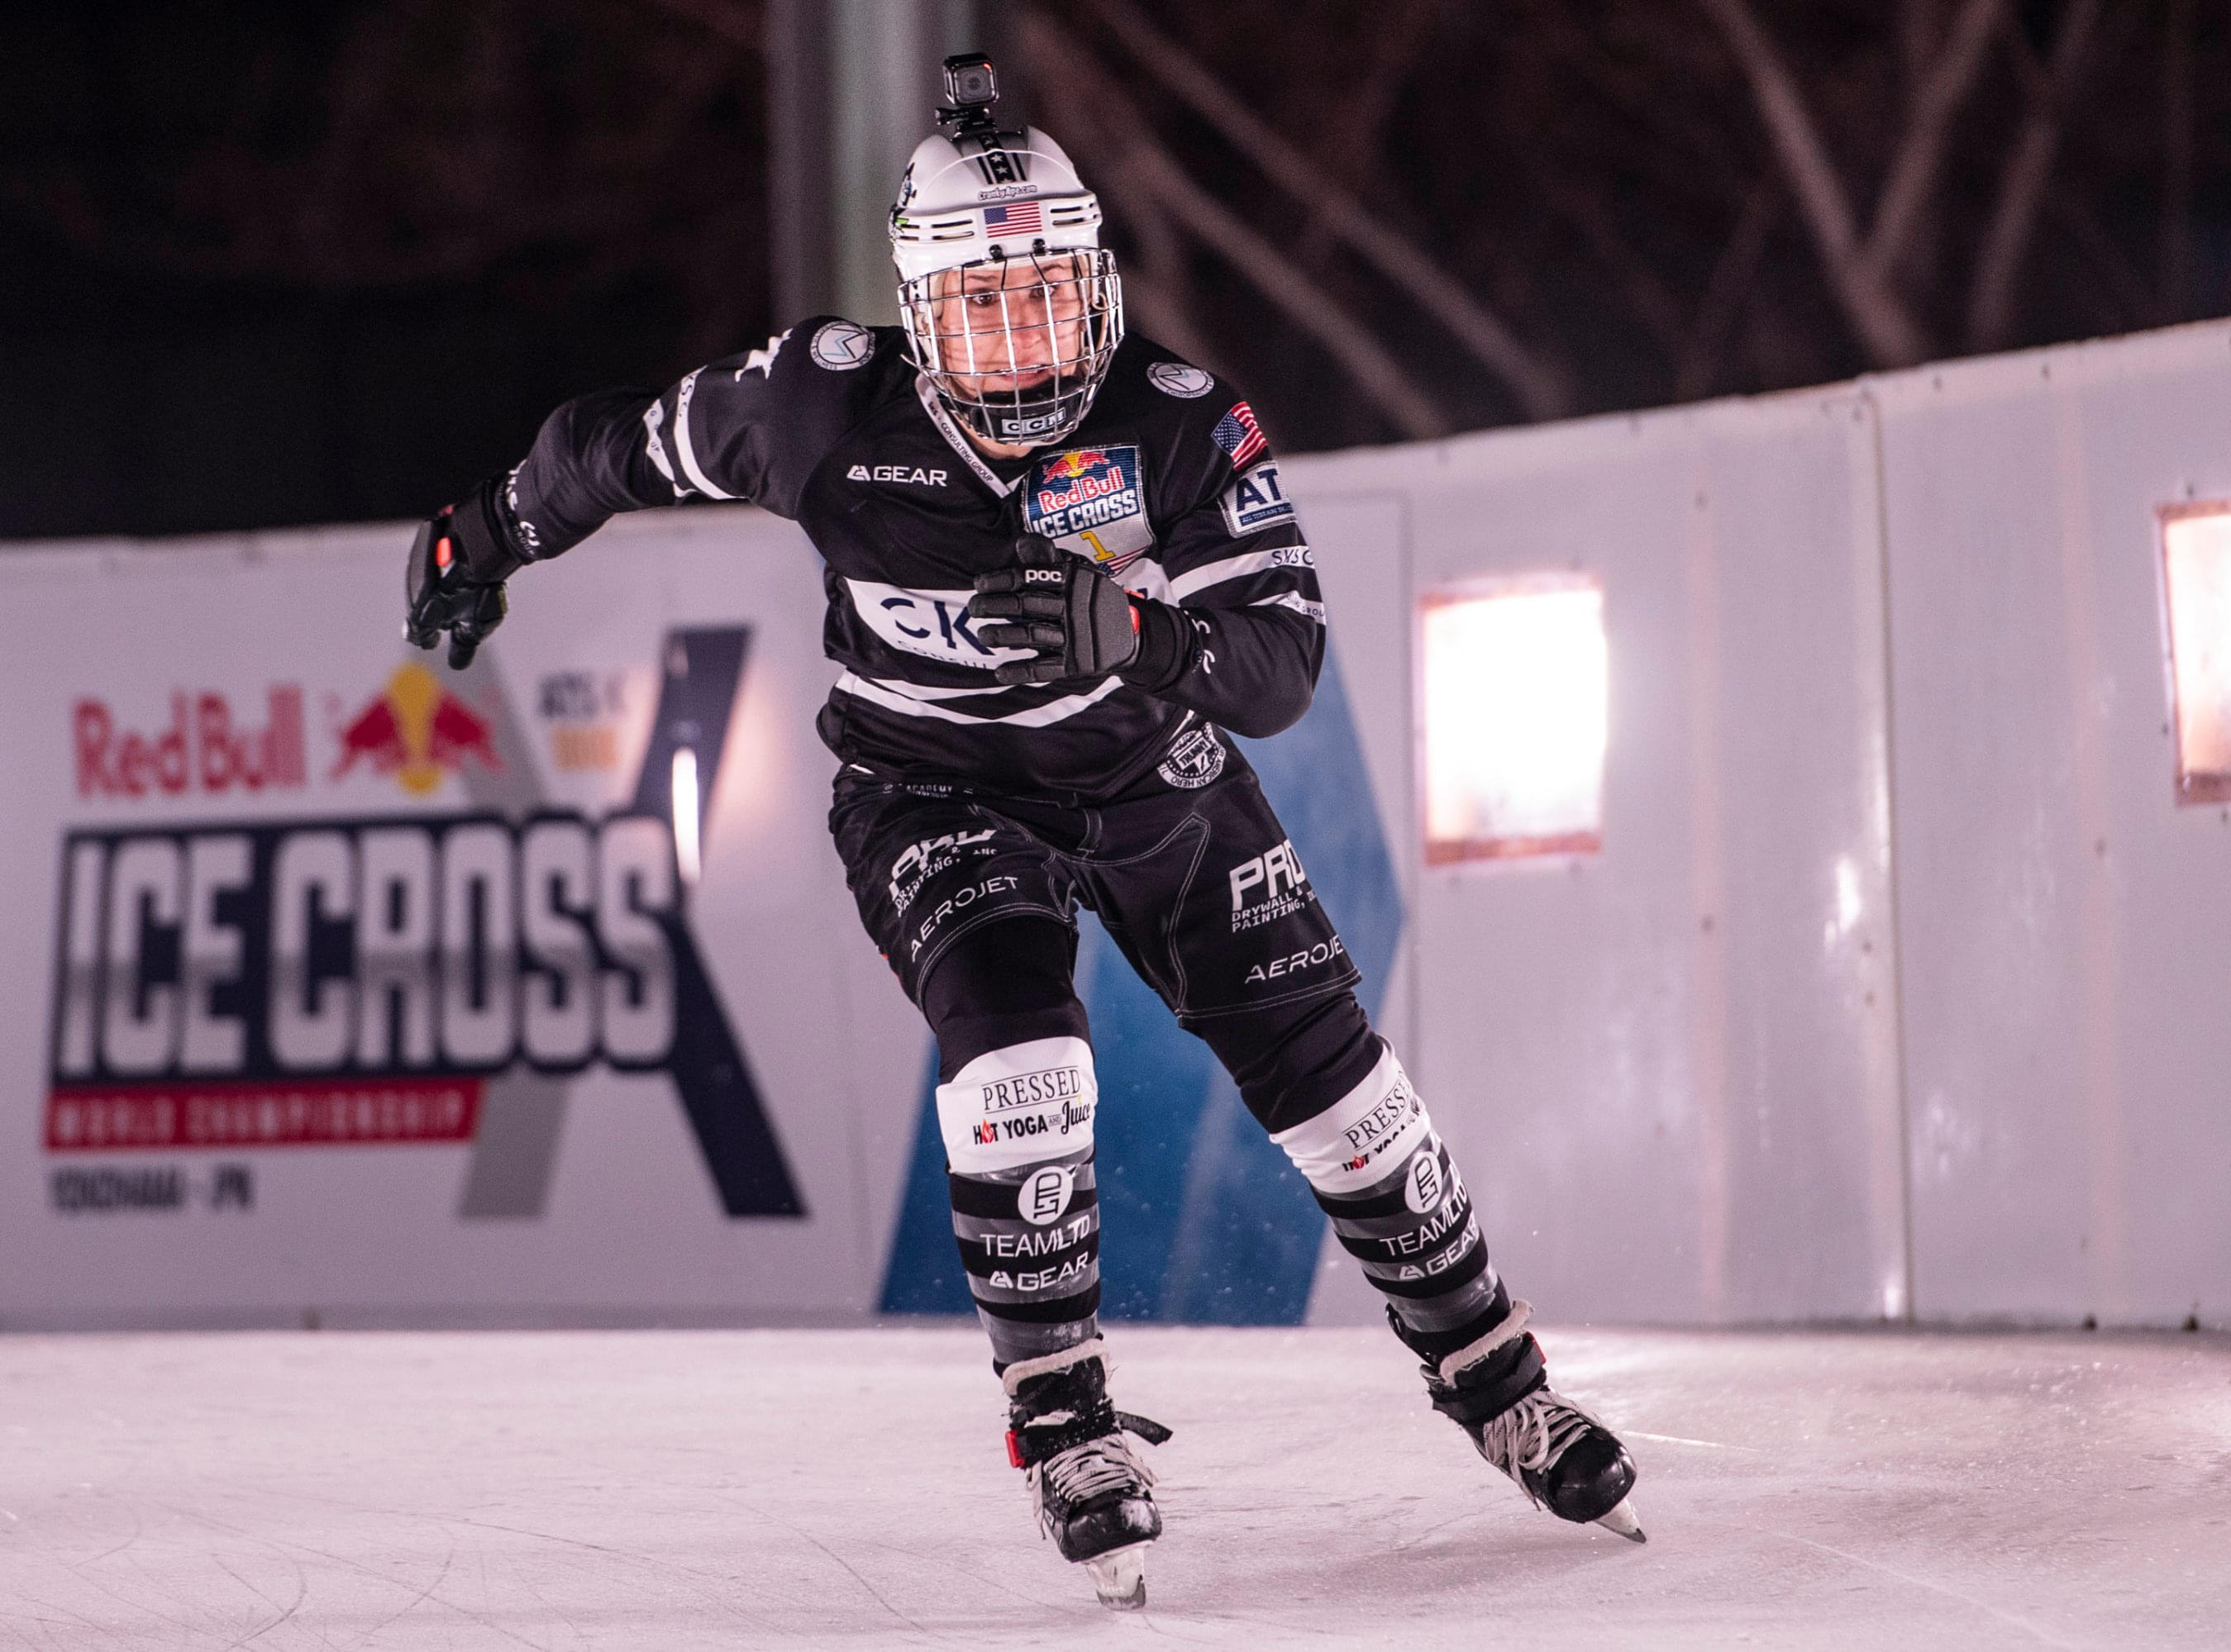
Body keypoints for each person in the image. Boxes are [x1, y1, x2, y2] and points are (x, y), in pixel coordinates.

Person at [402, 54, 1640, 1610]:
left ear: (1099, 286)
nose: (1022, 342)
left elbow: (1283, 667)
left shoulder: (1181, 423)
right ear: (921, 315)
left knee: (1342, 1091)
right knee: (1021, 1057)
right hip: (932, 790)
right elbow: (618, 446)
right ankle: (1061, 1414)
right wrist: (487, 528)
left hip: (1154, 779)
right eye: (985, 311)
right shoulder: (816, 402)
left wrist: (1143, 635)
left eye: (1047, 299)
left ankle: (1495, 1377)